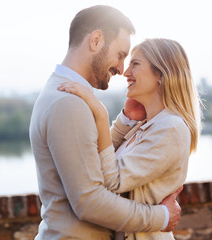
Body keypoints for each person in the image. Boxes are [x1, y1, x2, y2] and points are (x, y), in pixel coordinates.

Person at [29, 5, 183, 240]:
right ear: (96, 40)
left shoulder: (66, 95)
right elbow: (90, 202)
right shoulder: (68, 102)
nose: (122, 69)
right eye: (121, 55)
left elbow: (100, 166)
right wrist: (161, 217)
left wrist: (123, 122)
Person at [58, 38, 202, 239]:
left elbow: (112, 180)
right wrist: (125, 120)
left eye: (135, 64)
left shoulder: (171, 128)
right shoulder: (145, 125)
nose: (126, 72)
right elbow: (98, 163)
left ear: (160, 73)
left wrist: (100, 113)